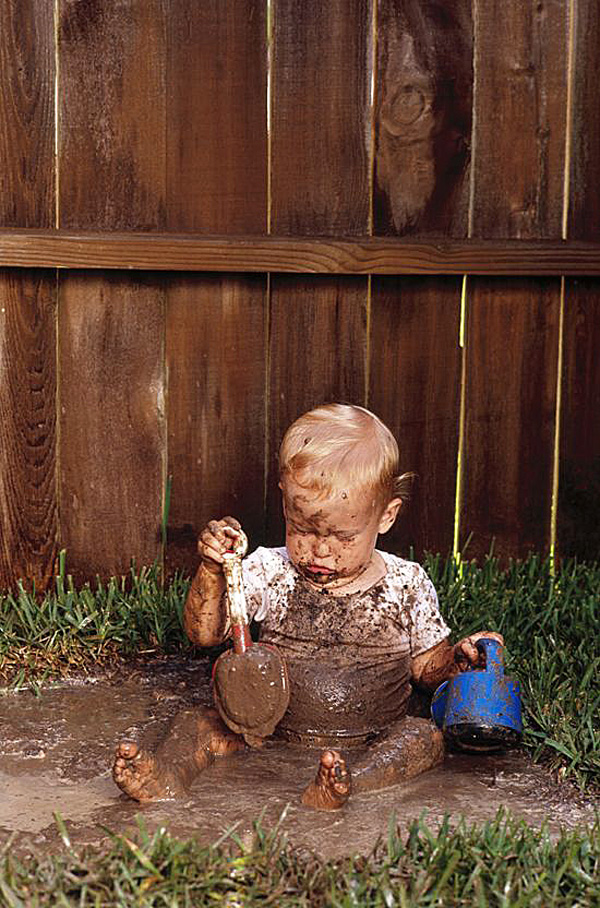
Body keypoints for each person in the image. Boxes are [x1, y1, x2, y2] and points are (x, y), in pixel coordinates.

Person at [113, 403, 501, 809]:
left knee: (422, 739)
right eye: (302, 529)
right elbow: (206, 634)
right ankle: (169, 775)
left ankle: (348, 784)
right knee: (198, 722)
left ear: (385, 517)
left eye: (342, 537)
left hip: (373, 732)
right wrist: (214, 570)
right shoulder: (271, 569)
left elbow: (426, 669)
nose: (319, 550)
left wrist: (457, 663)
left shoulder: (405, 584)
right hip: (265, 727)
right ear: (285, 504)